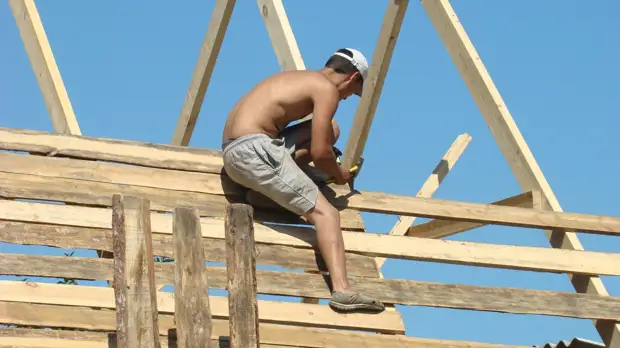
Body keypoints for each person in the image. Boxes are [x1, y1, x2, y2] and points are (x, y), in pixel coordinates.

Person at [221, 48, 384, 312]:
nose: (345, 98)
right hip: (255, 152)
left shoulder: (300, 78)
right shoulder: (327, 89)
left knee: (331, 129)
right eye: (351, 93)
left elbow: (321, 142)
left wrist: (328, 163)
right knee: (327, 214)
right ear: (352, 77)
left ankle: (261, 196)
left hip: (237, 150)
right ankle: (342, 291)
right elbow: (320, 153)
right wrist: (339, 174)